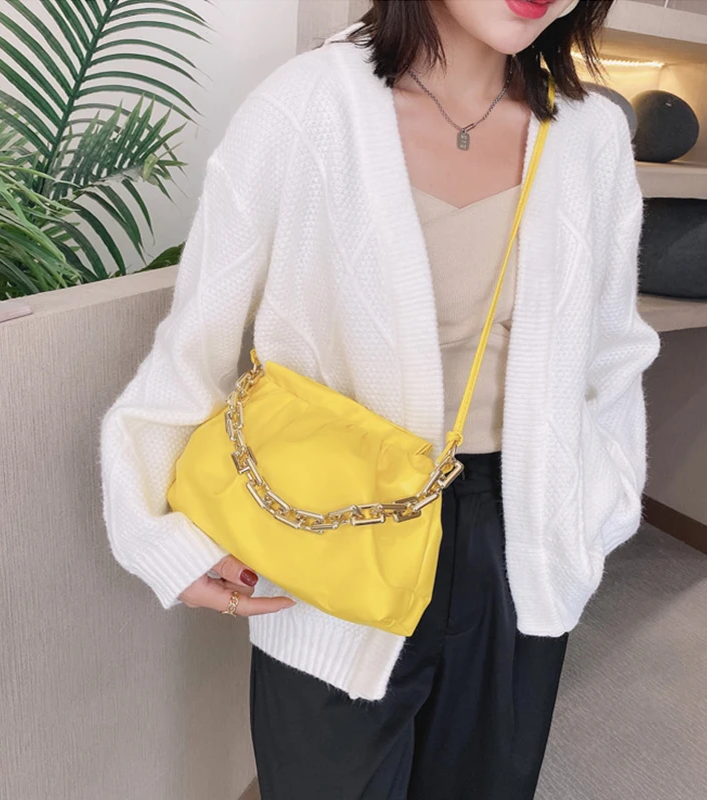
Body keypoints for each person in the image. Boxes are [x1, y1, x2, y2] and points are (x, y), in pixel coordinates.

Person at [99, 0, 661, 797]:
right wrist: (162, 537)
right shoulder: (306, 107)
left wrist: (597, 512)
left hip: (522, 536)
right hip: (337, 526)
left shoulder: (591, 135)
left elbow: (613, 353)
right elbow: (196, 346)